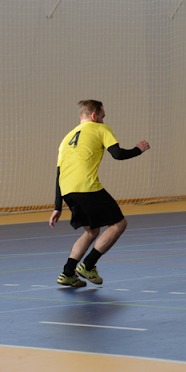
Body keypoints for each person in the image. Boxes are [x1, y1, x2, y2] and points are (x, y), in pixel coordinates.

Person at [49, 99, 150, 287]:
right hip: (86, 187)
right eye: (102, 117)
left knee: (91, 231)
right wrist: (138, 149)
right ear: (94, 116)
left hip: (67, 190)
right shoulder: (100, 129)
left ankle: (67, 273)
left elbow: (58, 173)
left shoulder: (66, 139)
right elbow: (118, 154)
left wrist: (57, 206)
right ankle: (88, 265)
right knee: (119, 224)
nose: (103, 121)